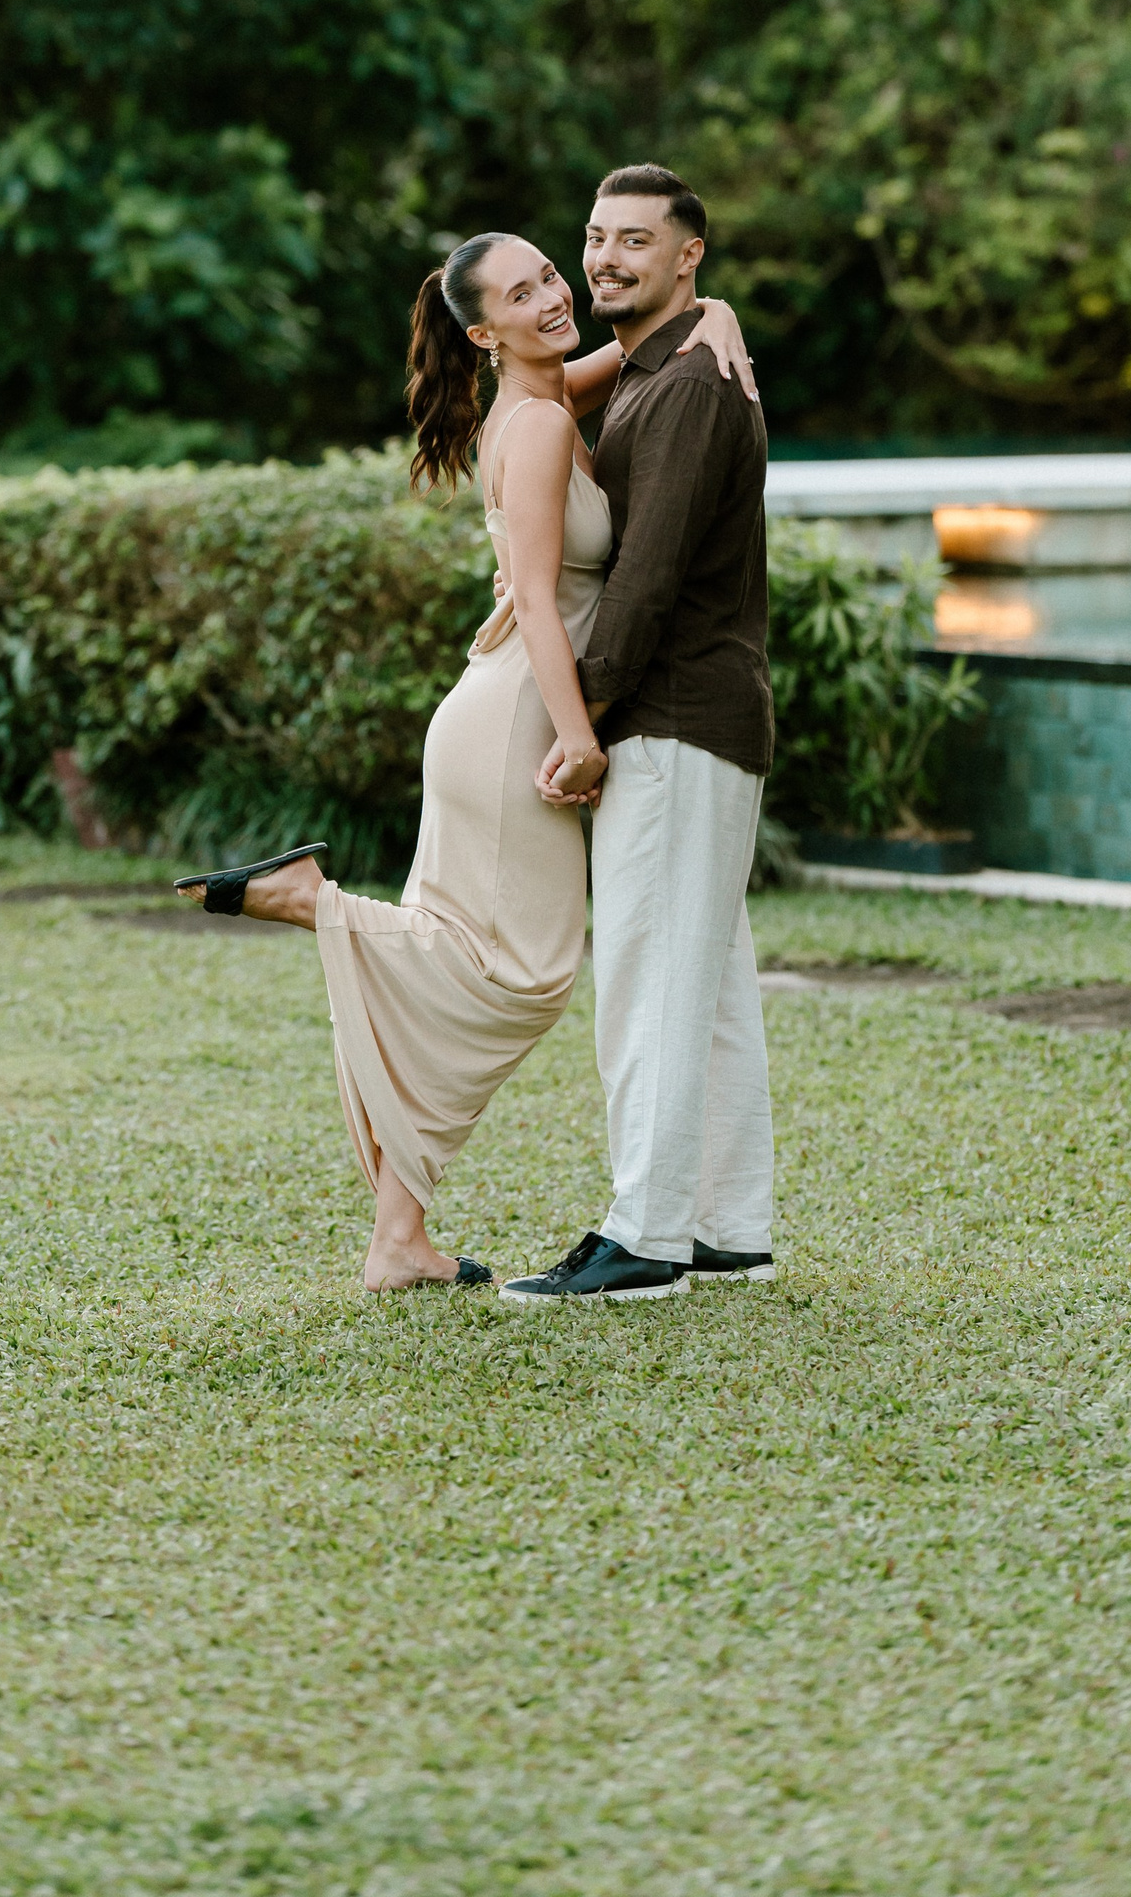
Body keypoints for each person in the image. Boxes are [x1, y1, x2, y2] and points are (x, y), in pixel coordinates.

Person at [173, 232, 755, 1293]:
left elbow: (641, 353)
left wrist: (708, 312)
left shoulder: (544, 397)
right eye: (520, 295)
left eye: (550, 276)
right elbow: (536, 597)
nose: (552, 297)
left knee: (474, 959)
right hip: (520, 719)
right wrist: (579, 736)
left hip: (500, 709)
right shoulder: (539, 425)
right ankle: (307, 900)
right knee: (521, 977)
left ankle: (399, 1240)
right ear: (484, 334)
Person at [499, 165, 776, 1306]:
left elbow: (645, 582)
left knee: (650, 979)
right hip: (699, 717)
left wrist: (585, 726)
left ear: (687, 255)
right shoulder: (663, 367)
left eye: (635, 241)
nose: (606, 259)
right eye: (595, 237)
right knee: (707, 985)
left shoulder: (690, 386)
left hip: (672, 718)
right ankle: (728, 1227)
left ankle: (645, 1237)